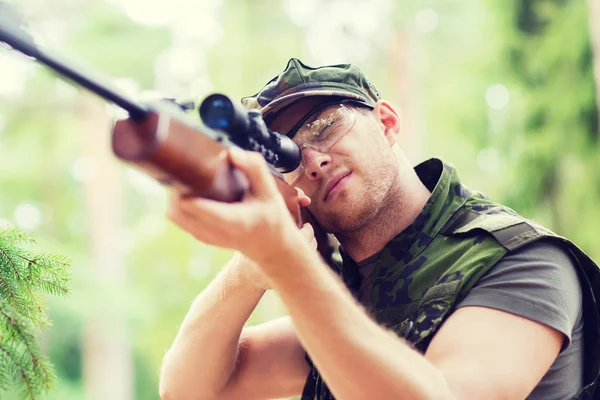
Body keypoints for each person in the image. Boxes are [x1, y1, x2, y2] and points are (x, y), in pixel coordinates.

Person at [158, 58, 600, 400]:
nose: (313, 160)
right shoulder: (349, 295)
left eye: (325, 126)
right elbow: (190, 388)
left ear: (386, 122)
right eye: (286, 156)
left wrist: (285, 263)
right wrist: (251, 269)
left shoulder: (521, 259)